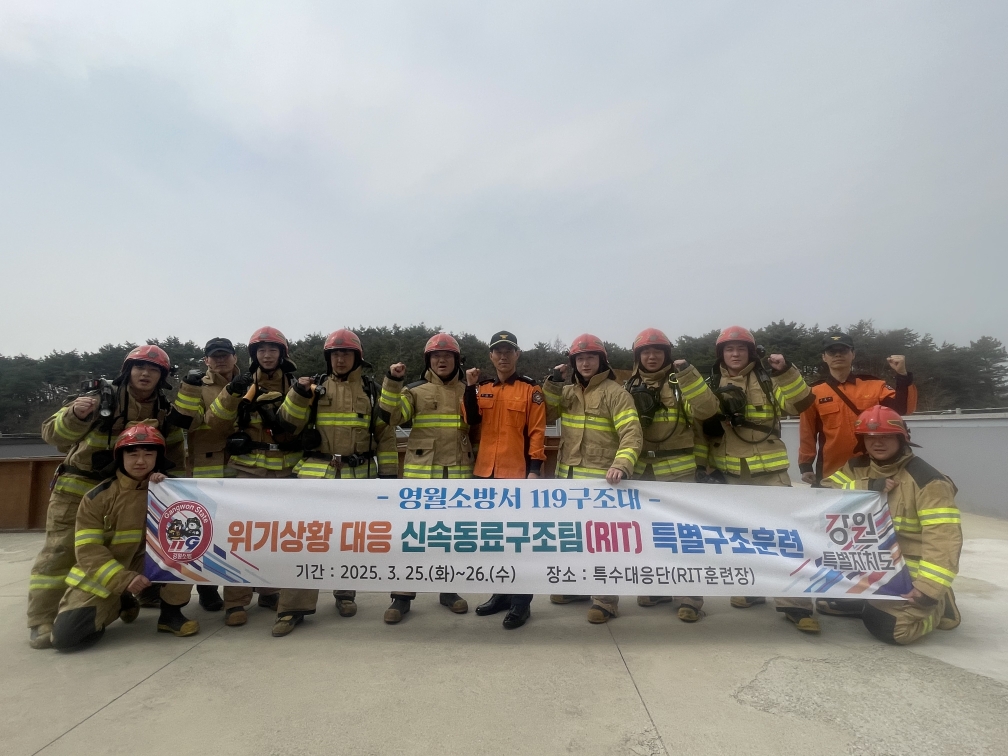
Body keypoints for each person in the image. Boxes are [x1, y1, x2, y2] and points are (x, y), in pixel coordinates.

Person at [28, 345, 188, 649]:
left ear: (162, 377)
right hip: (79, 486)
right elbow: (52, 434)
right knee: (61, 551)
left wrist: (172, 488)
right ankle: (42, 618)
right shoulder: (100, 398)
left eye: (153, 370)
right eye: (139, 367)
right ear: (128, 370)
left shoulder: (164, 411)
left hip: (127, 491)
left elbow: (176, 454)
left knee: (132, 546)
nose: (145, 374)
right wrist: (75, 415)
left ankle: (128, 595)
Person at [271, 329, 398, 637]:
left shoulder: (371, 391)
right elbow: (286, 425)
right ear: (328, 358)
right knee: (305, 542)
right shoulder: (313, 387)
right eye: (335, 354)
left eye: (346, 354)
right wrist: (298, 394)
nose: (340, 359)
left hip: (359, 478)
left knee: (350, 541)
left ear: (357, 358)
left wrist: (388, 478)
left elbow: (385, 435)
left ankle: (345, 594)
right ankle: (291, 608)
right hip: (316, 476)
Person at [700, 325, 819, 633]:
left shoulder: (767, 379)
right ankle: (752, 589)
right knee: (740, 540)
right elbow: (701, 427)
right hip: (731, 475)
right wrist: (705, 467)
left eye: (741, 348)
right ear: (721, 354)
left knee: (783, 539)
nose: (735, 354)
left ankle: (795, 604)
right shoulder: (711, 383)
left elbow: (798, 404)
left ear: (750, 352)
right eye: (729, 349)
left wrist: (786, 372)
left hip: (770, 475)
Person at [50, 424, 199, 650]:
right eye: (133, 454)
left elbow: (190, 526)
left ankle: (171, 615)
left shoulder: (166, 491)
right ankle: (121, 601)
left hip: (145, 565)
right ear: (120, 457)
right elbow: (88, 550)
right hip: (106, 573)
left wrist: (167, 487)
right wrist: (123, 580)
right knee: (66, 638)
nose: (141, 461)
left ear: (158, 458)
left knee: (184, 553)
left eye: (149, 454)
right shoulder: (96, 497)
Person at [823, 406, 962, 644]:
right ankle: (870, 601)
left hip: (907, 570)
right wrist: (866, 487)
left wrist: (929, 589)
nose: (877, 442)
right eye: (870, 436)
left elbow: (944, 540)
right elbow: (821, 496)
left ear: (901, 438)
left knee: (888, 627)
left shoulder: (929, 481)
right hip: (869, 562)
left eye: (886, 436)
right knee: (830, 599)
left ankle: (940, 607)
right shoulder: (856, 468)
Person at [542, 333, 643, 624]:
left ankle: (605, 600)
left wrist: (622, 464)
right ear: (574, 363)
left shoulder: (616, 393)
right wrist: (553, 383)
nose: (585, 363)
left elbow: (631, 433)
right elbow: (544, 415)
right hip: (568, 479)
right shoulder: (568, 392)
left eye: (591, 358)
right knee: (573, 538)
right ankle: (576, 588)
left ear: (602, 361)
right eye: (580, 359)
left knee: (602, 542)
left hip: (603, 483)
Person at [206, 326, 301, 626]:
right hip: (248, 471)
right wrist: (232, 393)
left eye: (273, 350)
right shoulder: (242, 383)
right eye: (261, 350)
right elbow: (215, 424)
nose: (267, 355)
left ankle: (270, 592)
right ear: (253, 354)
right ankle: (235, 601)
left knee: (280, 538)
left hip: (285, 470)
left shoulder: (295, 384)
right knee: (242, 538)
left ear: (282, 353)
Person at [625, 328, 720, 622]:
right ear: (638, 356)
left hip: (678, 474)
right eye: (645, 352)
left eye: (657, 351)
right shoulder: (629, 386)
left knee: (683, 537)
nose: (651, 357)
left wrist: (688, 375)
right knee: (648, 536)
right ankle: (657, 588)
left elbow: (707, 410)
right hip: (642, 473)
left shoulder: (680, 382)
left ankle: (689, 596)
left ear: (666, 354)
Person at [377, 332, 471, 623]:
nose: (441, 360)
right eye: (436, 356)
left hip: (457, 477)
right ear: (428, 360)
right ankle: (401, 597)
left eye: (447, 356)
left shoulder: (468, 390)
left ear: (456, 360)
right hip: (421, 478)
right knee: (412, 537)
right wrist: (393, 382)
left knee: (450, 538)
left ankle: (449, 591)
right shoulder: (414, 390)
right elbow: (392, 417)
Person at [462, 330, 547, 629]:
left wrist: (535, 470)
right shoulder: (482, 387)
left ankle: (521, 603)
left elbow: (537, 432)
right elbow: (470, 419)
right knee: (494, 541)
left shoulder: (530, 389)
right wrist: (469, 387)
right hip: (485, 474)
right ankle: (501, 594)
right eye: (497, 351)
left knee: (520, 541)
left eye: (508, 351)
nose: (503, 356)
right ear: (490, 356)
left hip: (518, 476)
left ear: (517, 354)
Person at [170, 336, 243, 613]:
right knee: (205, 533)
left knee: (237, 532)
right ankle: (207, 588)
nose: (220, 359)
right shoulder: (196, 385)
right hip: (205, 467)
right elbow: (190, 422)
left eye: (225, 354)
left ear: (235, 357)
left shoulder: (251, 381)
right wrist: (189, 389)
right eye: (215, 356)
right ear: (206, 361)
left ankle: (248, 587)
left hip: (241, 465)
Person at [799, 332, 916, 486]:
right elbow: (807, 431)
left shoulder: (874, 385)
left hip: (875, 469)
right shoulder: (813, 392)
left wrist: (902, 376)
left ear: (853, 354)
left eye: (843, 350)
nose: (838, 355)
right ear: (824, 357)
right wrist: (805, 464)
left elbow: (903, 408)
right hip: (833, 470)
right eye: (832, 351)